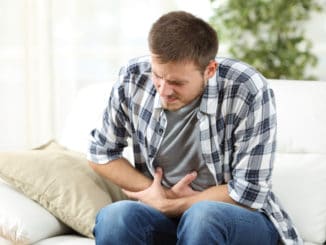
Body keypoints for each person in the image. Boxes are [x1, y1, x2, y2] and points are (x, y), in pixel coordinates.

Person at [87, 11, 302, 245]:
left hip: (237, 219)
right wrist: (155, 192)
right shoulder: (133, 77)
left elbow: (248, 190)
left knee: (202, 217)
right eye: (158, 76)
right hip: (162, 216)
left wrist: (177, 204)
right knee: (114, 217)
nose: (164, 90)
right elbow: (101, 154)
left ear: (209, 70)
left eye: (177, 83)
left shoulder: (247, 88)